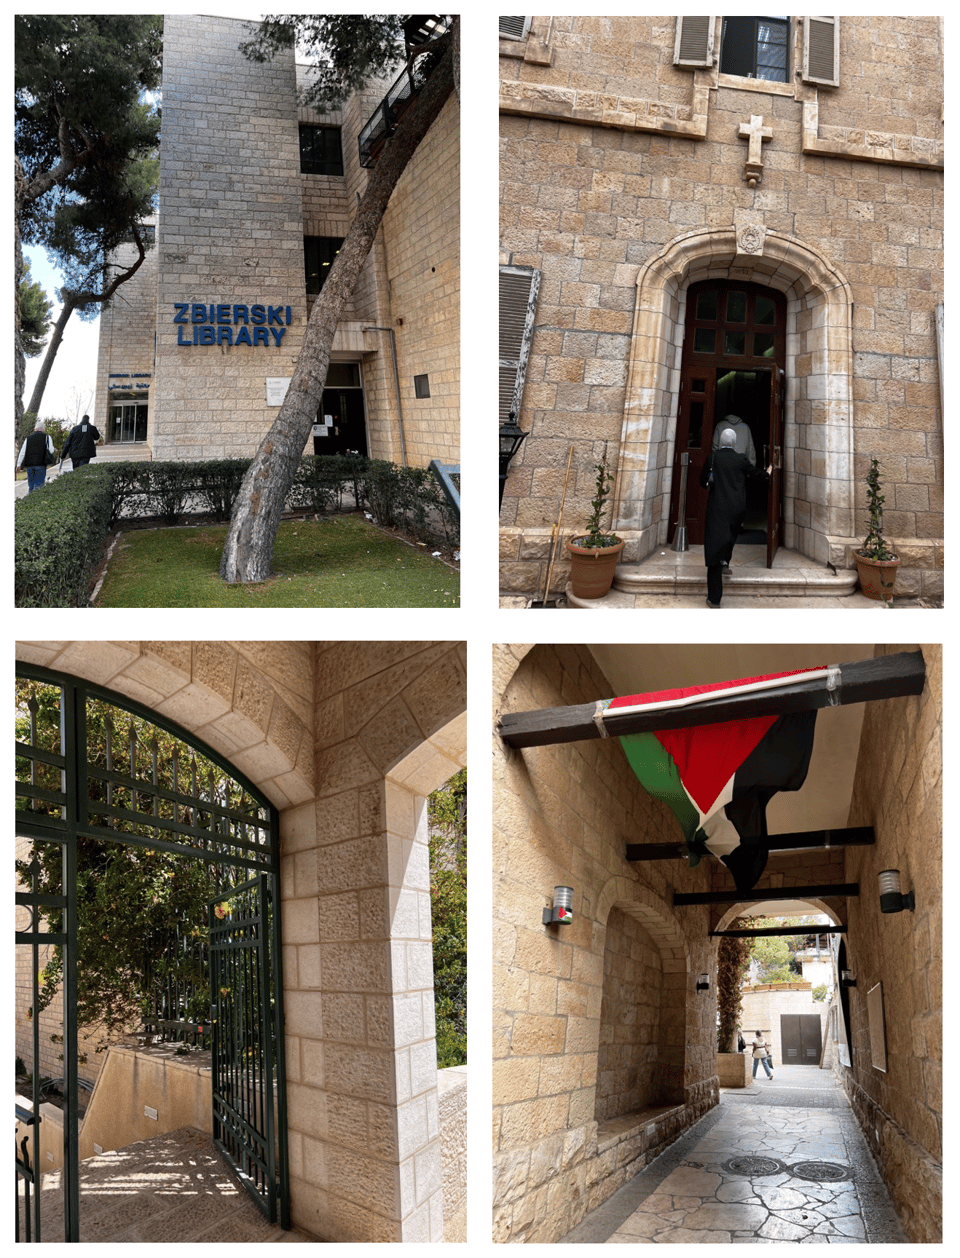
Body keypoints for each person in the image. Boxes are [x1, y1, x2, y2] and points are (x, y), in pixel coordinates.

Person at [699, 427, 771, 607]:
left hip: (717, 509)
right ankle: (725, 558)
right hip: (737, 509)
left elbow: (702, 481)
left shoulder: (713, 458)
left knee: (714, 549)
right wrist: (769, 471)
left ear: (721, 441)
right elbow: (758, 476)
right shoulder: (741, 459)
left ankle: (714, 599)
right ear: (734, 442)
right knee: (729, 536)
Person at [16, 419, 56, 492]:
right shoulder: (47, 437)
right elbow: (51, 450)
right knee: (38, 486)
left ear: (35, 428)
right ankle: (35, 502)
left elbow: (22, 452)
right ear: (43, 428)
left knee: (31, 486)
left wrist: (18, 464)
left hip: (29, 465)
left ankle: (29, 501)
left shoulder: (28, 438)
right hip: (41, 464)